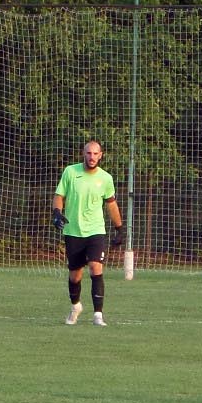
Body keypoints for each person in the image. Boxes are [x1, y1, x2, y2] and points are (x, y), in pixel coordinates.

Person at [53, 139, 124, 326]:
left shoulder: (106, 178)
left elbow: (111, 204)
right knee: (75, 275)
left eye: (95, 153)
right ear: (83, 154)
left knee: (95, 267)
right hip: (73, 231)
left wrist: (119, 228)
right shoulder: (70, 172)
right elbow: (59, 196)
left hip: (95, 230)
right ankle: (75, 306)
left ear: (100, 156)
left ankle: (98, 315)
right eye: (88, 153)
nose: (92, 157)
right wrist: (57, 213)